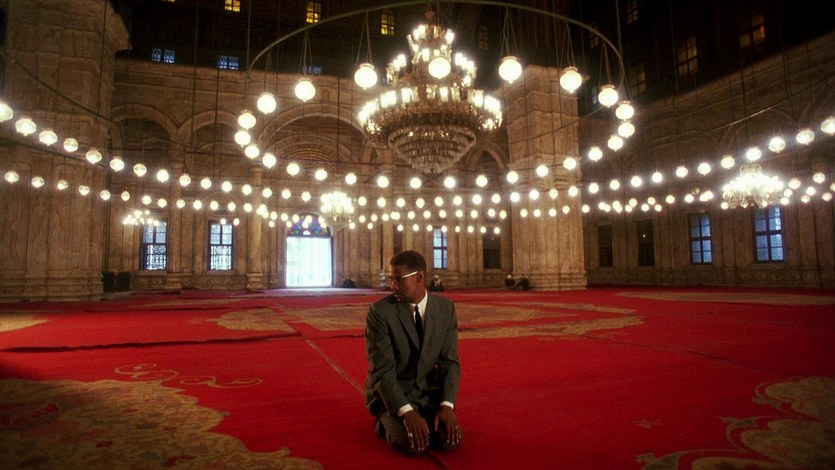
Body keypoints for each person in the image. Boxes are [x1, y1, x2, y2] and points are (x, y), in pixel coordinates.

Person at [364, 250, 463, 455]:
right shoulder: (380, 312)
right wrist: (407, 412)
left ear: (419, 277)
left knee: (449, 441)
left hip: (427, 393)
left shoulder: (445, 309)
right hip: (393, 394)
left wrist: (447, 406)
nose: (393, 286)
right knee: (414, 446)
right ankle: (385, 421)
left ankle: (422, 416)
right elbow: (383, 370)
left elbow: (450, 362)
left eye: (398, 280)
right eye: (391, 279)